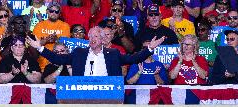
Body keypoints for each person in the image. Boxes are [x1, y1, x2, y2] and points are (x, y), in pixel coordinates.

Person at [27, 26, 165, 76]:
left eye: (96, 36)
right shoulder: (78, 53)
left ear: (102, 39)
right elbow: (57, 59)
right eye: (90, 36)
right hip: (82, 94)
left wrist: (150, 48)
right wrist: (39, 47)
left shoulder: (113, 54)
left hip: (107, 95)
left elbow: (133, 59)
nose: (92, 38)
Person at [33, 1, 70, 72]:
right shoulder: (39, 25)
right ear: (47, 11)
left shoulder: (65, 26)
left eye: (56, 12)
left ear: (59, 14)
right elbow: (34, 45)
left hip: (60, 65)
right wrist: (46, 40)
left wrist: (56, 40)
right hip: (42, 64)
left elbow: (67, 46)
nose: (53, 13)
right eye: (51, 11)